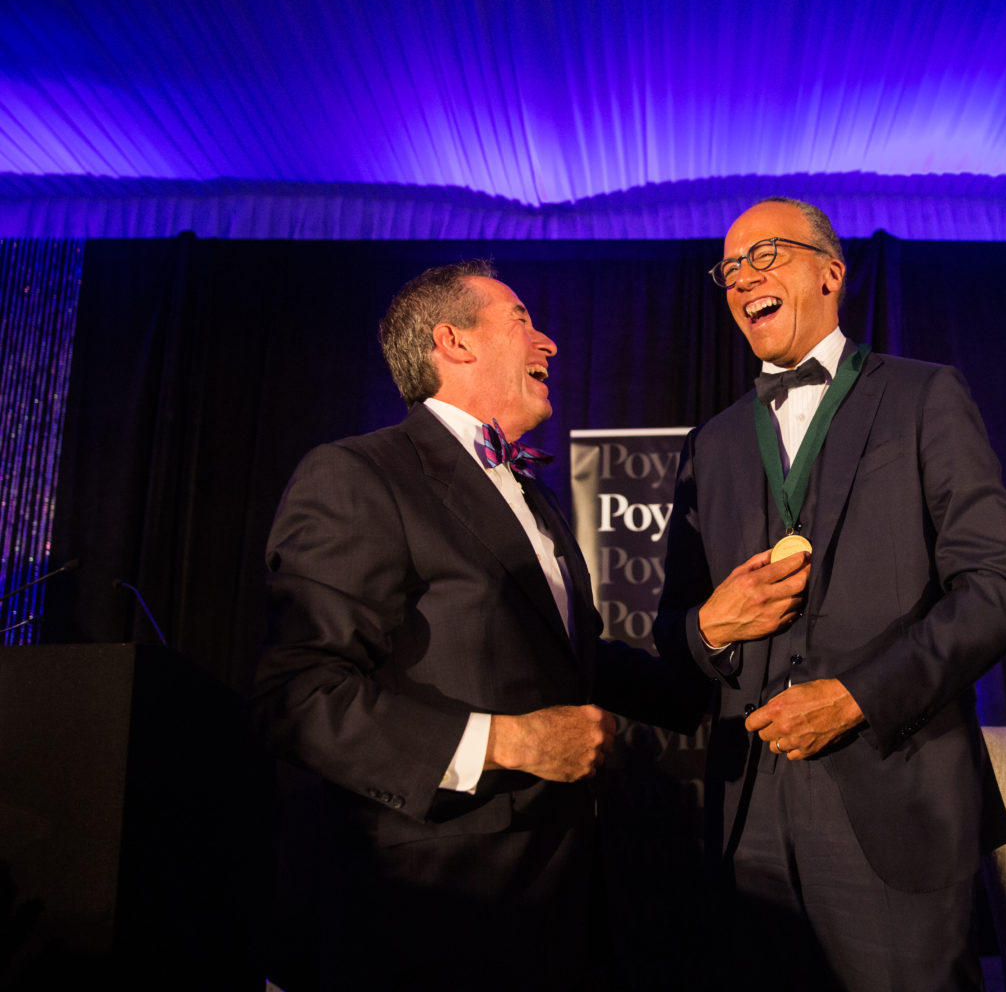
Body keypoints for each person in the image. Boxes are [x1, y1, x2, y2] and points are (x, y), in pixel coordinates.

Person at [254, 260, 693, 991]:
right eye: (522, 319)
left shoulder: (537, 498)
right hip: (430, 916)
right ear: (452, 343)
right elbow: (299, 696)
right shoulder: (359, 475)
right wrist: (505, 741)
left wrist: (719, 650)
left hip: (560, 904)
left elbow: (580, 663)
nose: (549, 342)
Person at [654, 199, 1006, 991]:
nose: (743, 278)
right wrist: (710, 630)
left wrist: (858, 696)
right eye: (730, 267)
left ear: (832, 272)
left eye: (767, 256)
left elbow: (996, 589)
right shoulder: (711, 443)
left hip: (895, 801)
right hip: (747, 820)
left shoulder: (926, 396)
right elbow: (677, 633)